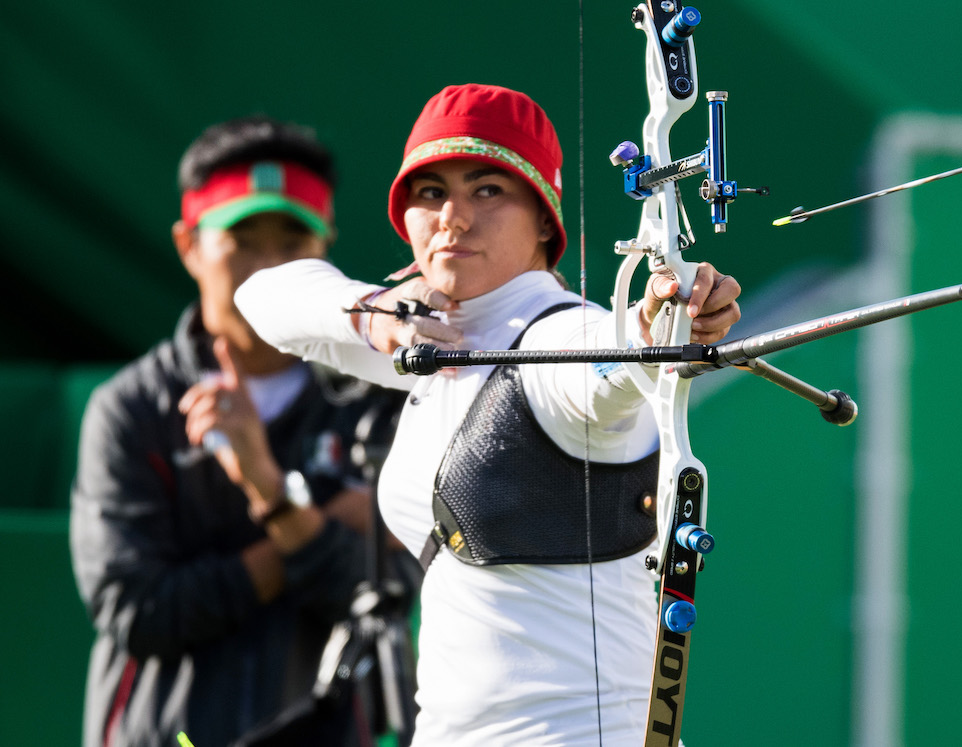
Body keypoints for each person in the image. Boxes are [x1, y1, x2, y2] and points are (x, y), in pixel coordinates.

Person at [234, 84, 741, 745]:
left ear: (543, 220)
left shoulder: (561, 338)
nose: (453, 216)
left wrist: (658, 325)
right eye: (430, 192)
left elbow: (605, 370)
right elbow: (262, 295)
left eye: (488, 190)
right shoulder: (429, 334)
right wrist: (375, 314)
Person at [70, 116, 410, 747]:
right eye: (243, 240)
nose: (269, 270)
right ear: (188, 245)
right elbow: (138, 610)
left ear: (327, 242)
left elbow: (388, 597)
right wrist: (307, 520)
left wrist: (272, 495)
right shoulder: (130, 409)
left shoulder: (379, 399)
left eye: (293, 239)